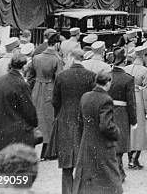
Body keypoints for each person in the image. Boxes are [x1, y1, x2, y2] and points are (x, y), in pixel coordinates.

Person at [50, 48, 96, 194]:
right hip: (85, 119)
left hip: (65, 119)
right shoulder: (91, 76)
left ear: (71, 58)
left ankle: (67, 191)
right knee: (84, 160)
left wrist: (59, 114)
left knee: (66, 163)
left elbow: (55, 101)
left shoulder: (62, 76)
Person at [73, 70, 122, 194]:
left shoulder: (85, 96)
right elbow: (106, 125)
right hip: (103, 145)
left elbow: (80, 121)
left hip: (87, 142)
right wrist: (116, 132)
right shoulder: (106, 99)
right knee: (110, 179)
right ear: (108, 83)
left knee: (89, 178)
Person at [0, 53, 38, 163]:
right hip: (17, 133)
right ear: (23, 67)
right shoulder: (21, 84)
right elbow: (29, 111)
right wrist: (34, 123)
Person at [28, 32, 63, 160]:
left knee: (36, 118)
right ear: (57, 44)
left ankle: (31, 148)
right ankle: (46, 152)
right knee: (48, 120)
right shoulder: (57, 59)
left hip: (37, 89)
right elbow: (59, 79)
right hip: (50, 89)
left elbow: (30, 76)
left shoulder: (36, 58)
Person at [108, 48, 137, 183]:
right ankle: (118, 171)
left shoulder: (106, 75)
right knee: (119, 142)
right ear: (125, 61)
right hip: (121, 113)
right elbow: (131, 102)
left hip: (107, 110)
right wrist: (133, 119)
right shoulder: (128, 79)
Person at [124, 46, 147, 169]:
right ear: (144, 56)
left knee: (130, 129)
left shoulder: (126, 68)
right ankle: (135, 159)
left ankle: (130, 158)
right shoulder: (145, 71)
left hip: (127, 99)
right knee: (141, 130)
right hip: (139, 99)